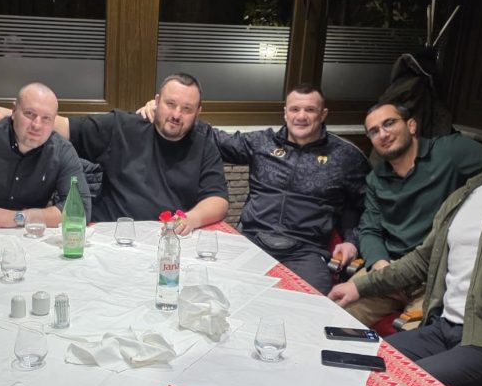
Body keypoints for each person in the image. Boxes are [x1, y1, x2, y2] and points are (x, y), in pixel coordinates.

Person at [329, 97, 482, 386]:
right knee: (349, 363)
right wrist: (359, 286)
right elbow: (422, 260)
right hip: (442, 328)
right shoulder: (466, 193)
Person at [136, 84, 369, 294]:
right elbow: (213, 138)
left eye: (310, 110)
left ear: (323, 114)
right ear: (285, 112)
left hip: (306, 251)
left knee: (308, 306)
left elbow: (366, 206)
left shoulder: (345, 155)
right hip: (252, 240)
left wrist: (352, 240)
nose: (301, 116)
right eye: (295, 109)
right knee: (212, 289)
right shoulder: (263, 143)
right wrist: (165, 111)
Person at [0, 73, 228, 235]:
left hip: (169, 237)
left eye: (187, 109)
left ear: (198, 111)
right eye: (170, 104)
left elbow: (218, 199)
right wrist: (17, 115)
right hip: (110, 235)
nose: (176, 114)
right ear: (157, 100)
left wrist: (191, 219)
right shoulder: (123, 127)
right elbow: (67, 127)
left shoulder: (204, 142)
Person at [343, 102, 482, 327]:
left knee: (414, 337)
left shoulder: (450, 152)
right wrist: (383, 268)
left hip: (436, 275)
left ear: (411, 125)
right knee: (334, 313)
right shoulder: (376, 179)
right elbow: (370, 229)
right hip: (390, 266)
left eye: (389, 123)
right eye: (374, 131)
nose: (383, 134)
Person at [0, 82, 92, 227]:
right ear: (13, 111)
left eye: (46, 118)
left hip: (26, 236)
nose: (36, 125)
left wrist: (17, 217)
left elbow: (80, 211)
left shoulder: (61, 151)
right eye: (29, 114)